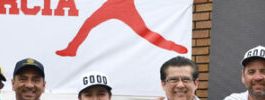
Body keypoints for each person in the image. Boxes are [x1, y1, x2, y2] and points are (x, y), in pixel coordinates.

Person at [56, 0, 187, 57]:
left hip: (125, 7)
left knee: (145, 32)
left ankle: (172, 46)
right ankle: (71, 49)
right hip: (111, 5)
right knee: (88, 24)